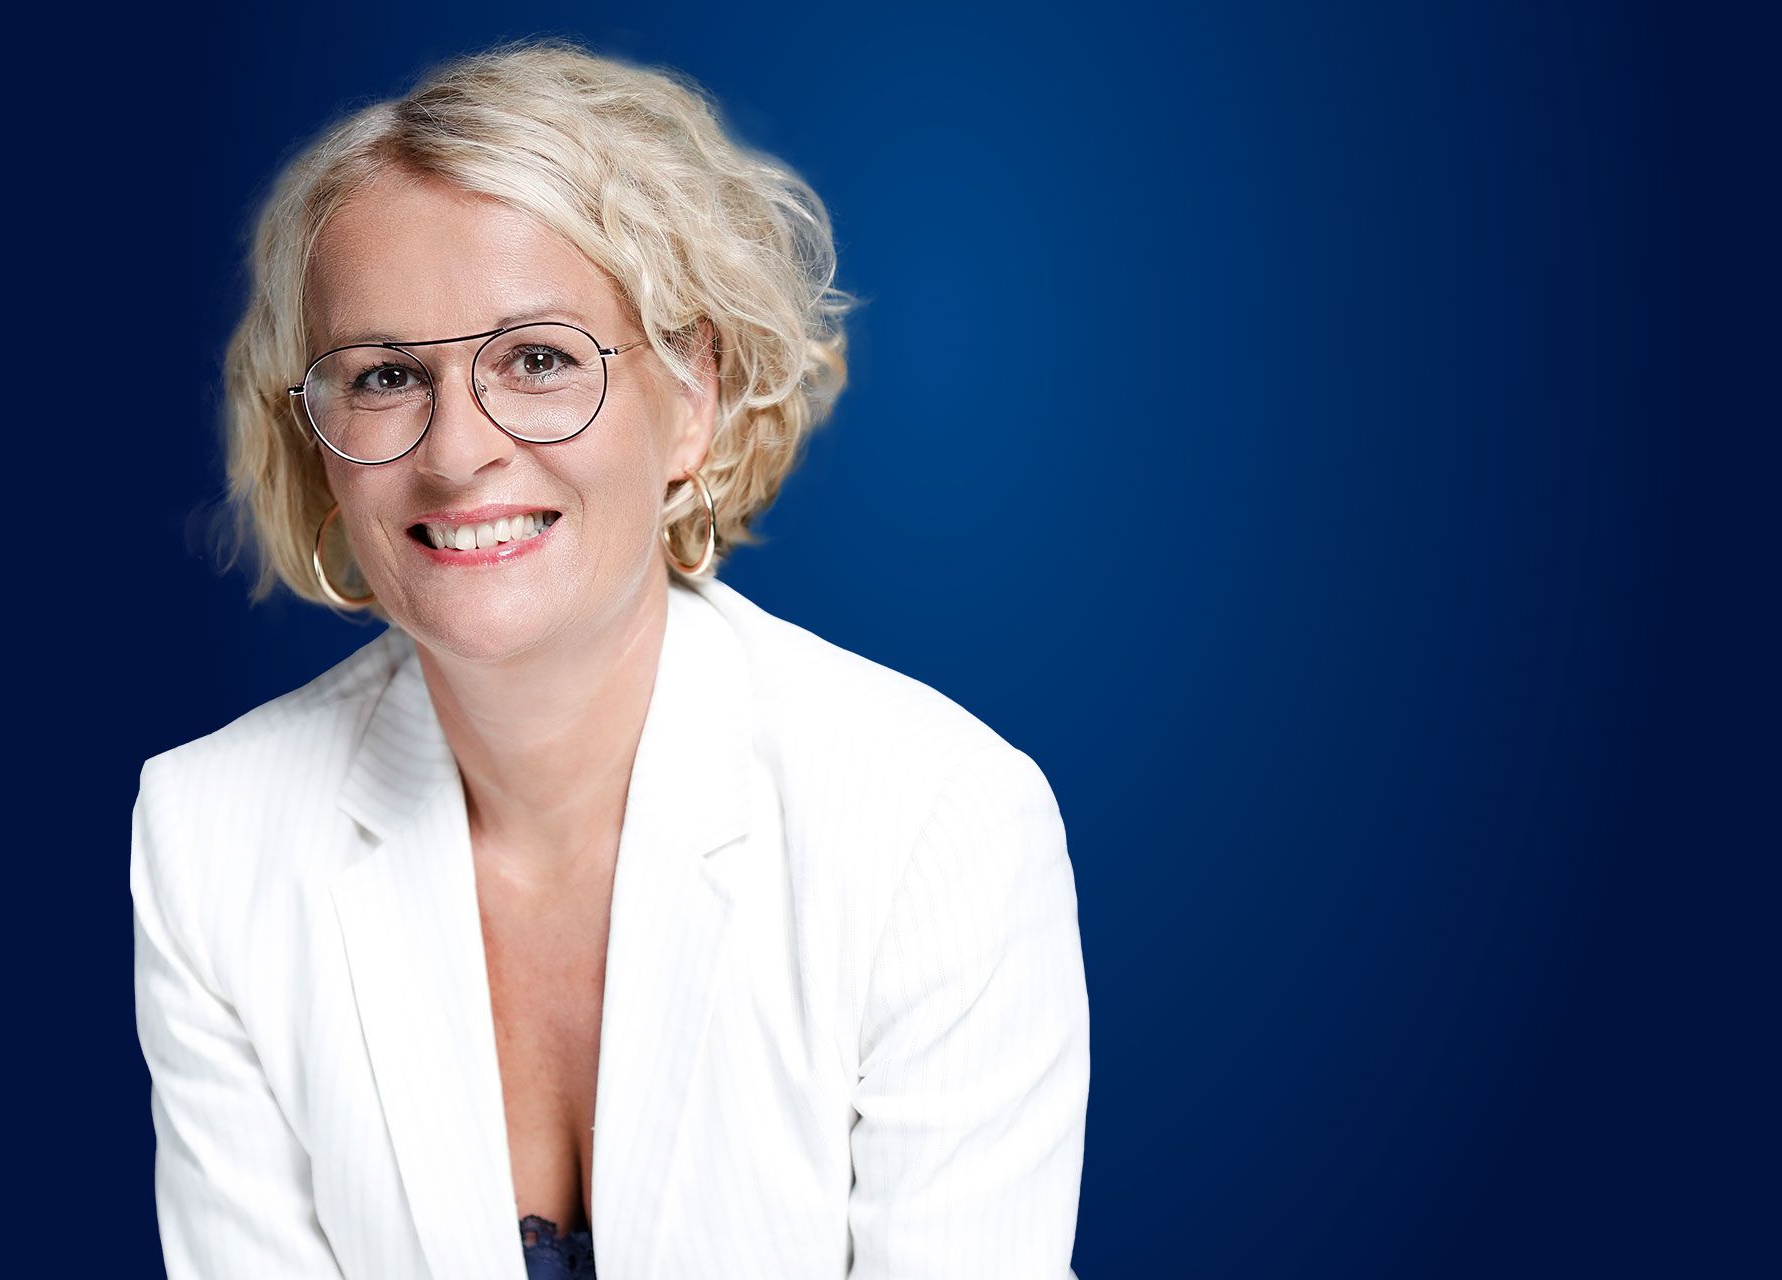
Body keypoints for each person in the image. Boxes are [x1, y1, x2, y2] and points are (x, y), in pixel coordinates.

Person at [131, 37, 1089, 1279]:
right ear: (319, 438)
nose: (456, 452)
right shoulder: (212, 834)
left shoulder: (934, 823)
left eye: (536, 359)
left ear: (690, 399)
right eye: (385, 375)